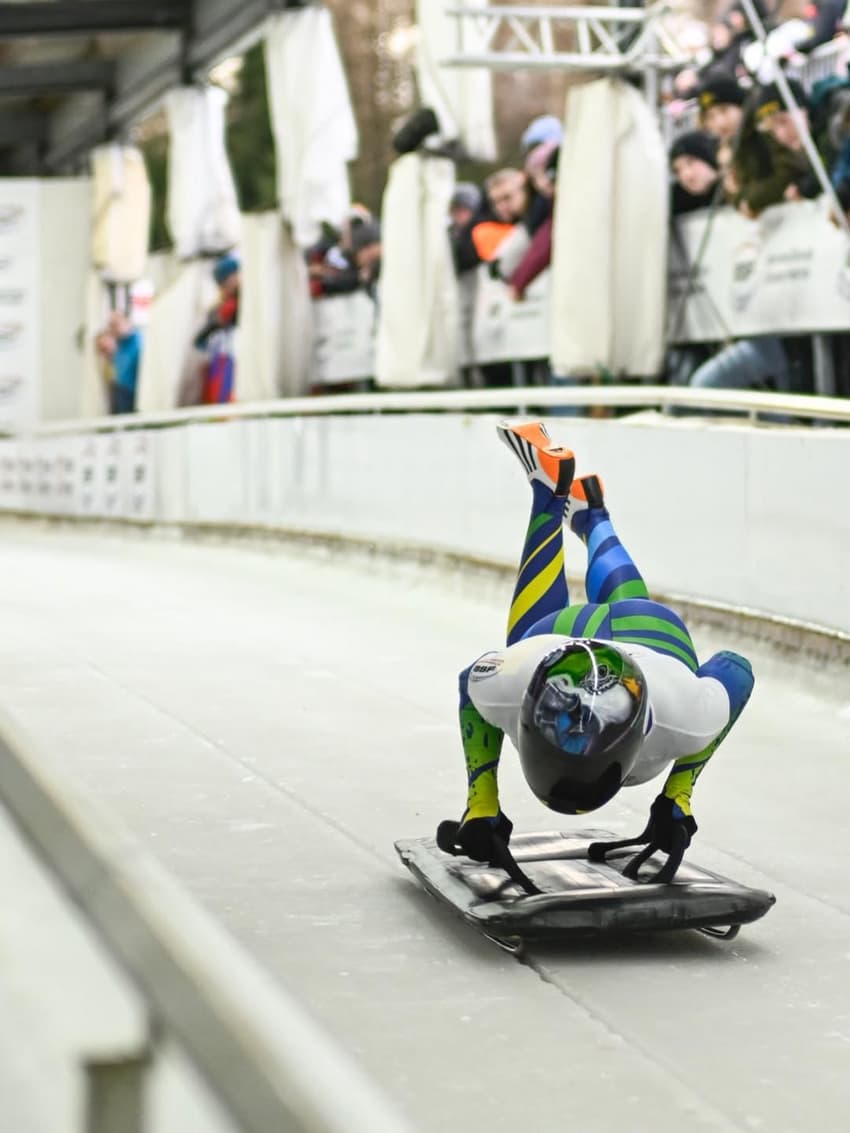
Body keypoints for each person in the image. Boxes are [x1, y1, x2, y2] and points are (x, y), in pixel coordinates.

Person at [438, 422, 754, 883]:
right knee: (569, 626)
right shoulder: (687, 717)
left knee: (528, 640)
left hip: (584, 640)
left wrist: (481, 805)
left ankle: (568, 504)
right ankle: (580, 512)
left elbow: (472, 678)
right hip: (647, 634)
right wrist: (676, 799)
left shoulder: (683, 715)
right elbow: (736, 669)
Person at [106, 311, 142, 414]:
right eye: (111, 326)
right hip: (120, 389)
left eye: (116, 324)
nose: (113, 329)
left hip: (134, 393)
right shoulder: (119, 342)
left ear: (127, 322)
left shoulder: (139, 342)